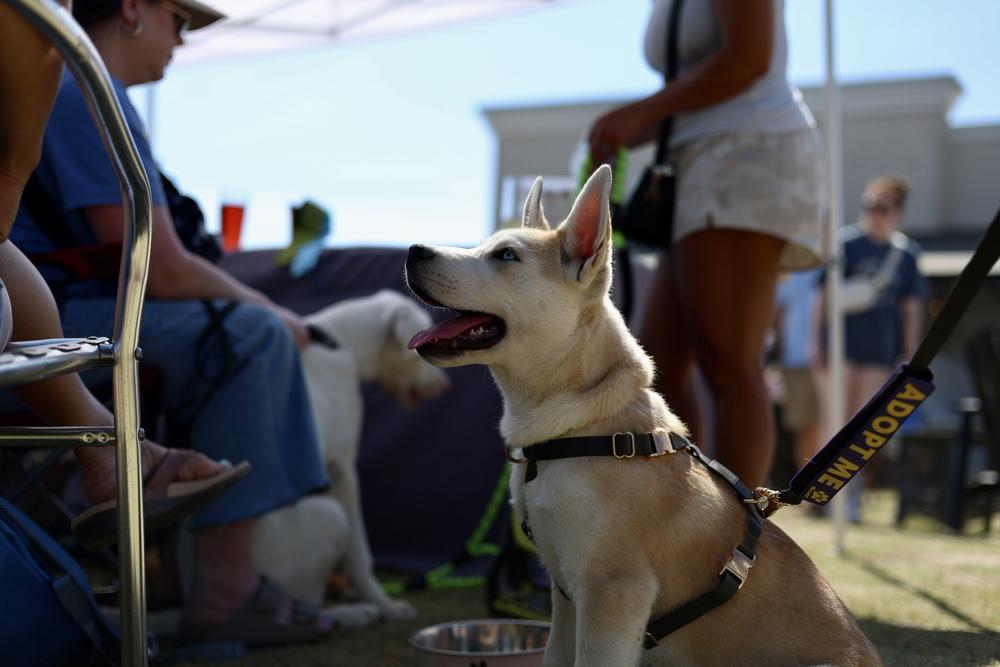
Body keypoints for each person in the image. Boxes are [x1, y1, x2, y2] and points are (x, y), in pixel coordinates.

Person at [6, 0, 336, 646]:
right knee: (253, 338)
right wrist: (273, 308)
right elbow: (162, 271)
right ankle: (225, 596)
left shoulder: (85, 91)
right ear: (133, 9)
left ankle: (190, 578)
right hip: (40, 318)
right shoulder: (80, 91)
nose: (181, 42)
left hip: (46, 307)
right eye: (179, 22)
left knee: (237, 333)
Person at [587, 0, 824, 487]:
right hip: (693, 161)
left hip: (749, 152)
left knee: (728, 359)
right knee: (660, 364)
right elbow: (694, 92)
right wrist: (633, 128)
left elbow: (748, 60)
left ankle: (738, 538)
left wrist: (642, 112)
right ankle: (685, 516)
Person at [814, 174, 928, 522]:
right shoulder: (846, 243)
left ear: (897, 212)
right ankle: (822, 495)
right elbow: (821, 296)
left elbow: (911, 305)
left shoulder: (905, 253)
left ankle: (852, 499)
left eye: (882, 207)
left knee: (864, 427)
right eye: (869, 205)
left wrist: (910, 349)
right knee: (835, 421)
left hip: (880, 350)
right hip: (841, 347)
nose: (874, 213)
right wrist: (814, 341)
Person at [772, 269, 823, 484]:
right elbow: (778, 312)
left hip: (835, 362)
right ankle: (808, 489)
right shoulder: (793, 271)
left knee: (831, 427)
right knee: (805, 427)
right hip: (795, 360)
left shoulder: (844, 261)